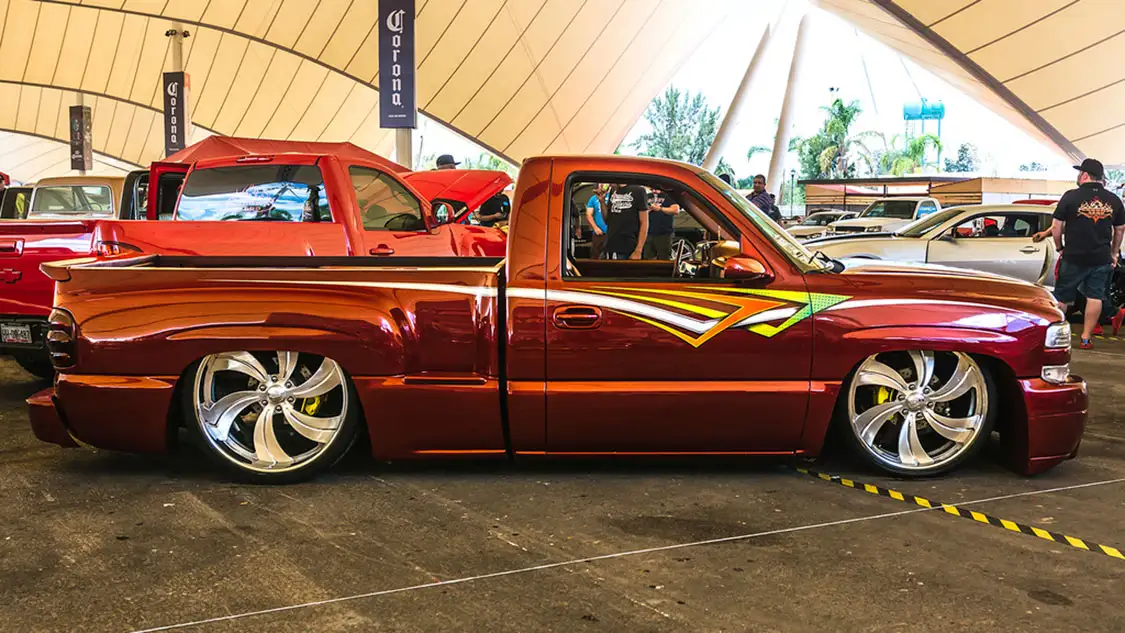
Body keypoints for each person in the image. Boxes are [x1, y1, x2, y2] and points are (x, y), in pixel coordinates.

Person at [1049, 158, 1125, 349]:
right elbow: (1120, 228)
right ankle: (1085, 337)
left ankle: (1055, 337)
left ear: (1084, 175)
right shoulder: (1114, 200)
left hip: (1073, 256)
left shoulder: (1070, 196)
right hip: (1100, 257)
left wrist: (1059, 247)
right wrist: (1114, 252)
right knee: (1095, 296)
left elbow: (1056, 226)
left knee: (1063, 297)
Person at [603, 182, 649, 260]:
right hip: (611, 245)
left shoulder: (639, 190)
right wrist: (601, 201)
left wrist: (638, 250)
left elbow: (644, 222)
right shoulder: (613, 190)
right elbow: (607, 220)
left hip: (629, 246)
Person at [643, 187, 681, 260]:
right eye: (651, 189)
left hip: (664, 233)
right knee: (647, 258)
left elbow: (676, 210)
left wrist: (660, 209)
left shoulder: (668, 196)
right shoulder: (647, 197)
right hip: (648, 233)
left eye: (655, 189)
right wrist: (648, 209)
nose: (654, 191)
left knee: (664, 258)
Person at [584, 184, 610, 259]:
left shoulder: (613, 196)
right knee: (595, 257)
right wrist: (595, 228)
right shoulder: (593, 198)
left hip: (612, 233)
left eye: (604, 183)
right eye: (600, 183)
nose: (601, 185)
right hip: (598, 234)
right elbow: (588, 214)